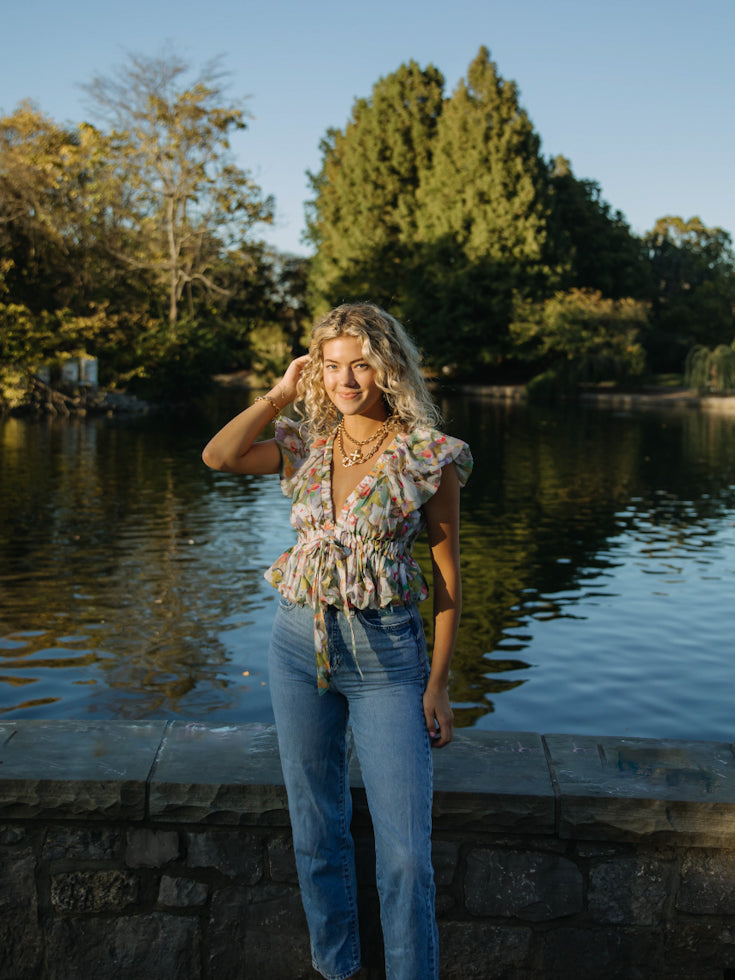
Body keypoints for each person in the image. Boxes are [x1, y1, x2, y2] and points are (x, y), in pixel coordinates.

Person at [202, 303, 472, 980]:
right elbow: (219, 455)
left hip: (387, 657)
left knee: (405, 852)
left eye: (359, 364)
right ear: (315, 371)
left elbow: (446, 578)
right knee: (316, 827)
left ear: (388, 367)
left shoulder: (425, 455)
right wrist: (279, 392)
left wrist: (437, 684)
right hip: (296, 643)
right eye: (331, 365)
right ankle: (337, 967)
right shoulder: (304, 442)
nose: (345, 379)